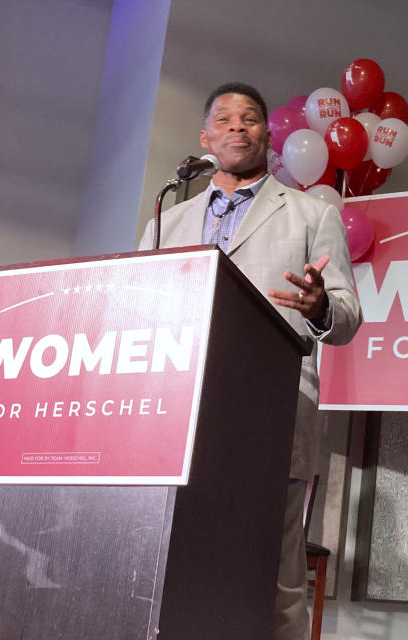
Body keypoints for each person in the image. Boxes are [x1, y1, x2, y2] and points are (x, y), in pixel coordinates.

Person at [139, 82, 362, 639]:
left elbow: (350, 316)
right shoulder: (167, 222)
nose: (238, 126)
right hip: (177, 416)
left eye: (251, 118)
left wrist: (319, 307)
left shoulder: (310, 214)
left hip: (273, 414)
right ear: (205, 137)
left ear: (269, 134)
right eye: (225, 118)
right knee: (173, 561)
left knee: (275, 571)